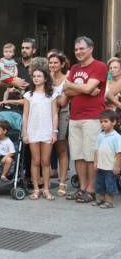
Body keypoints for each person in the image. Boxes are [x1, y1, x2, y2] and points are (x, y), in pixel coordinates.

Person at [63, 36, 108, 204]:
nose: (78, 52)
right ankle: (82, 188)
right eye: (76, 49)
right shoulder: (74, 67)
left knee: (90, 156)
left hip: (93, 117)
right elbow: (67, 91)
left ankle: (91, 190)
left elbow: (81, 87)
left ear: (91, 48)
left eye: (81, 48)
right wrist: (86, 89)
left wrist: (75, 87)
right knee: (78, 156)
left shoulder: (100, 66)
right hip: (74, 117)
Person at [22, 68, 59, 201]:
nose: (36, 78)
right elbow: (25, 115)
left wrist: (55, 132)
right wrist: (25, 132)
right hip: (33, 130)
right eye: (34, 76)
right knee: (35, 161)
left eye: (39, 76)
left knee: (46, 161)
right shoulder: (28, 95)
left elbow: (55, 114)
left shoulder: (52, 94)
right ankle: (36, 189)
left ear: (45, 78)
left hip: (47, 130)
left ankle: (46, 189)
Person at [49, 52, 71, 196]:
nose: (52, 65)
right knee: (46, 148)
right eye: (50, 62)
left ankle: (62, 183)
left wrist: (49, 99)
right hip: (46, 115)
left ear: (62, 64)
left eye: (56, 62)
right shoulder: (46, 78)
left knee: (61, 148)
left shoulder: (68, 78)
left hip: (62, 114)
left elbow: (63, 102)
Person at [93, 110, 121, 208]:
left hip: (110, 167)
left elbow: (119, 153)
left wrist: (117, 166)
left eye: (105, 121)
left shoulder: (116, 137)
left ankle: (109, 201)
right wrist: (95, 162)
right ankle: (101, 199)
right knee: (100, 184)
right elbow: (96, 150)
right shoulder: (100, 135)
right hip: (101, 166)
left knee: (109, 184)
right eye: (101, 122)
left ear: (113, 122)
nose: (103, 124)